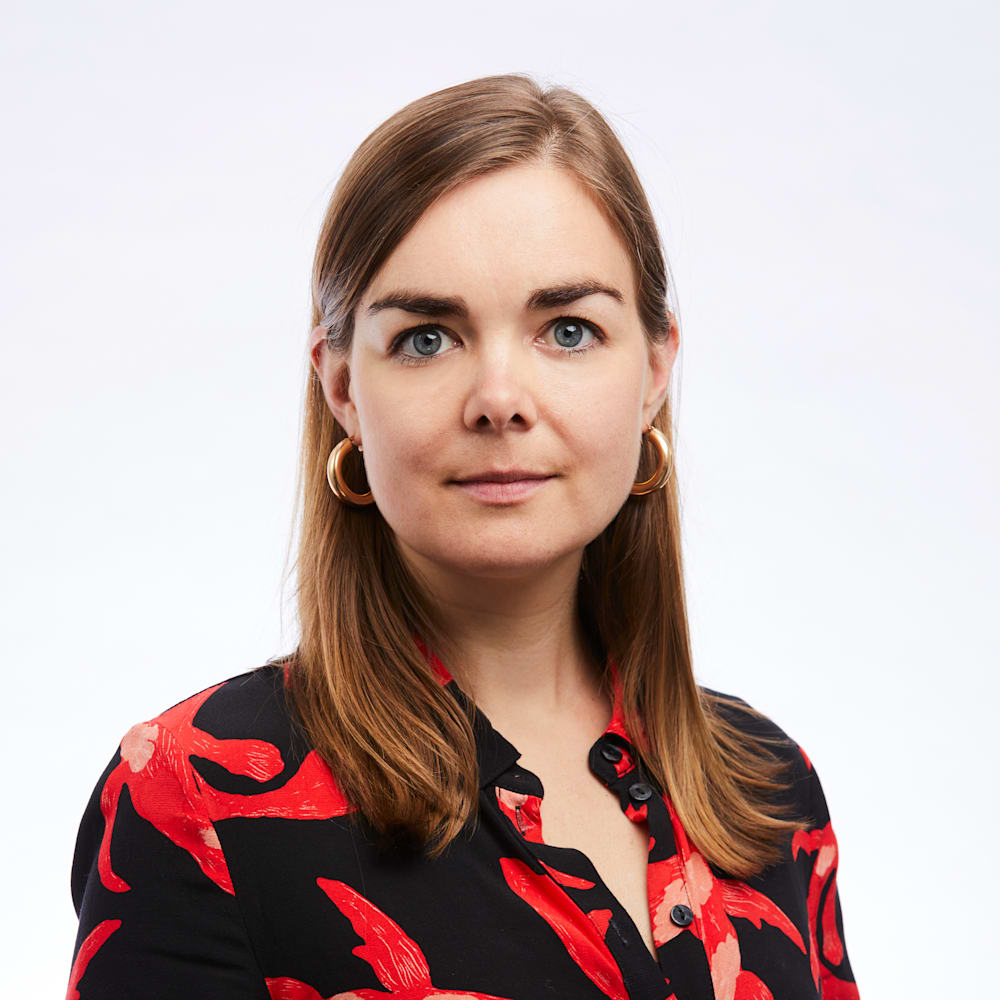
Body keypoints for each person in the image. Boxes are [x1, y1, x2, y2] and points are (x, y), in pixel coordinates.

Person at [65, 73, 859, 1000]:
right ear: (341, 387)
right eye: (427, 338)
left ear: (654, 369)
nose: (499, 400)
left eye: (569, 330)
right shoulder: (195, 796)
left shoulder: (770, 791)